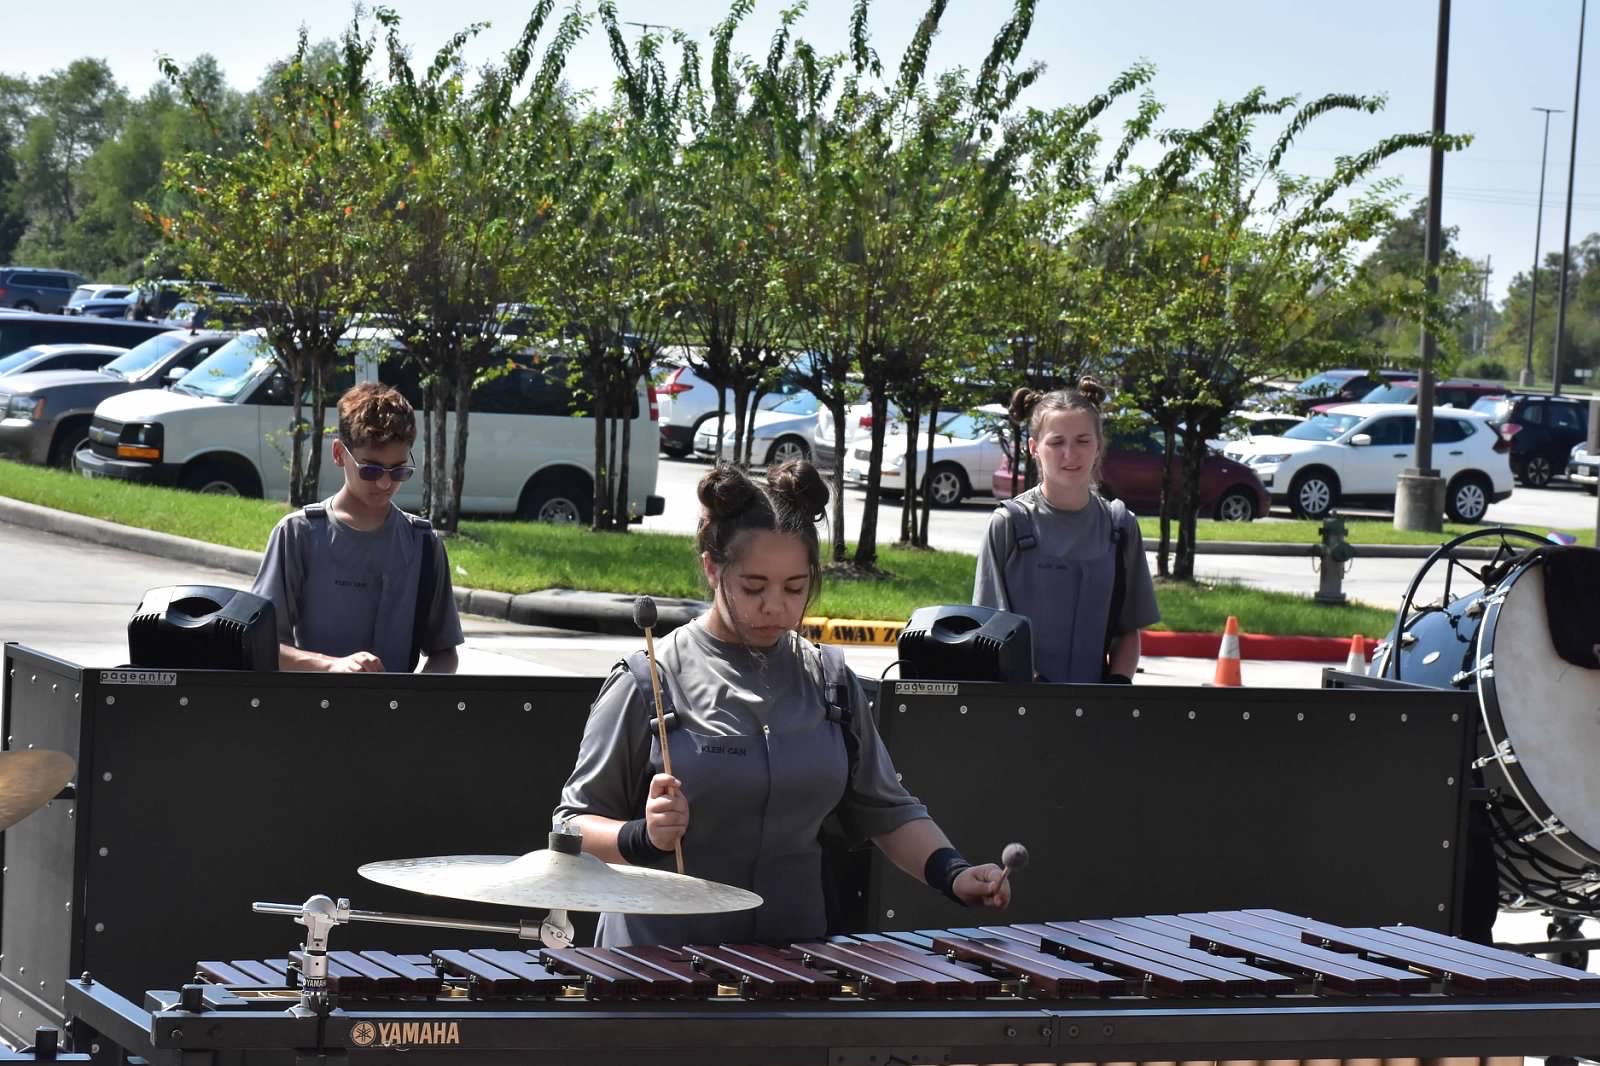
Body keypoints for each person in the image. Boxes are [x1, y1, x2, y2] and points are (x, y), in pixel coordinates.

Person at [554, 460, 1011, 947]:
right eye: (754, 587)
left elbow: (887, 810)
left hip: (792, 958)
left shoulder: (829, 680)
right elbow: (570, 826)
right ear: (712, 567)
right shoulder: (649, 678)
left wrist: (954, 873)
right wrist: (641, 837)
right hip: (659, 960)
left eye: (795, 588)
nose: (776, 606)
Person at [250, 382, 463, 674]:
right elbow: (262, 645)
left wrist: (416, 704)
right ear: (339, 454)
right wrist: (331, 666)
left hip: (395, 715)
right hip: (313, 710)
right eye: (371, 470)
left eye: (399, 470)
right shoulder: (298, 534)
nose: (386, 484)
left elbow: (444, 653)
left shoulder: (423, 543)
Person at [973, 379, 1159, 684]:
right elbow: (989, 632)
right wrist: (1036, 688)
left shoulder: (1121, 526)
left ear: (1098, 446)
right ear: (1034, 448)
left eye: (1083, 441)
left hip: (1096, 716)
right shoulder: (1007, 524)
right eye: (1057, 442)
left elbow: (1128, 630)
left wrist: (1118, 685)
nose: (1070, 454)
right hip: (1018, 709)